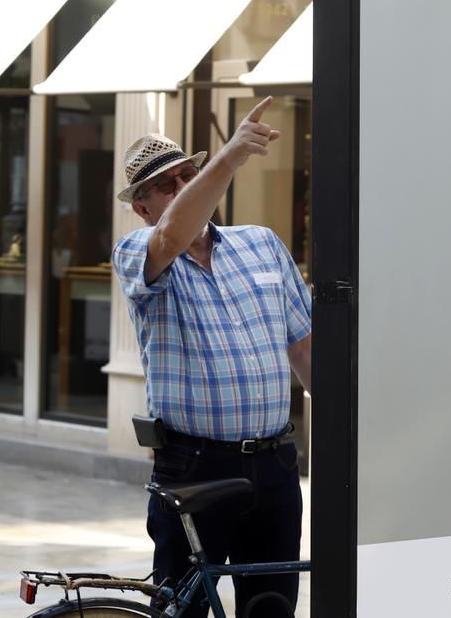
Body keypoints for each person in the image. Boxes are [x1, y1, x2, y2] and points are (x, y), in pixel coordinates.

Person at [111, 97, 311, 618]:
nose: (183, 189)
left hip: (274, 461)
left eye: (188, 176)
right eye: (167, 186)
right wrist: (228, 159)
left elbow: (305, 349)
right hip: (194, 465)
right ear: (143, 207)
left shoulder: (261, 244)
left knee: (272, 607)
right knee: (184, 609)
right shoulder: (138, 249)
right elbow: (174, 234)